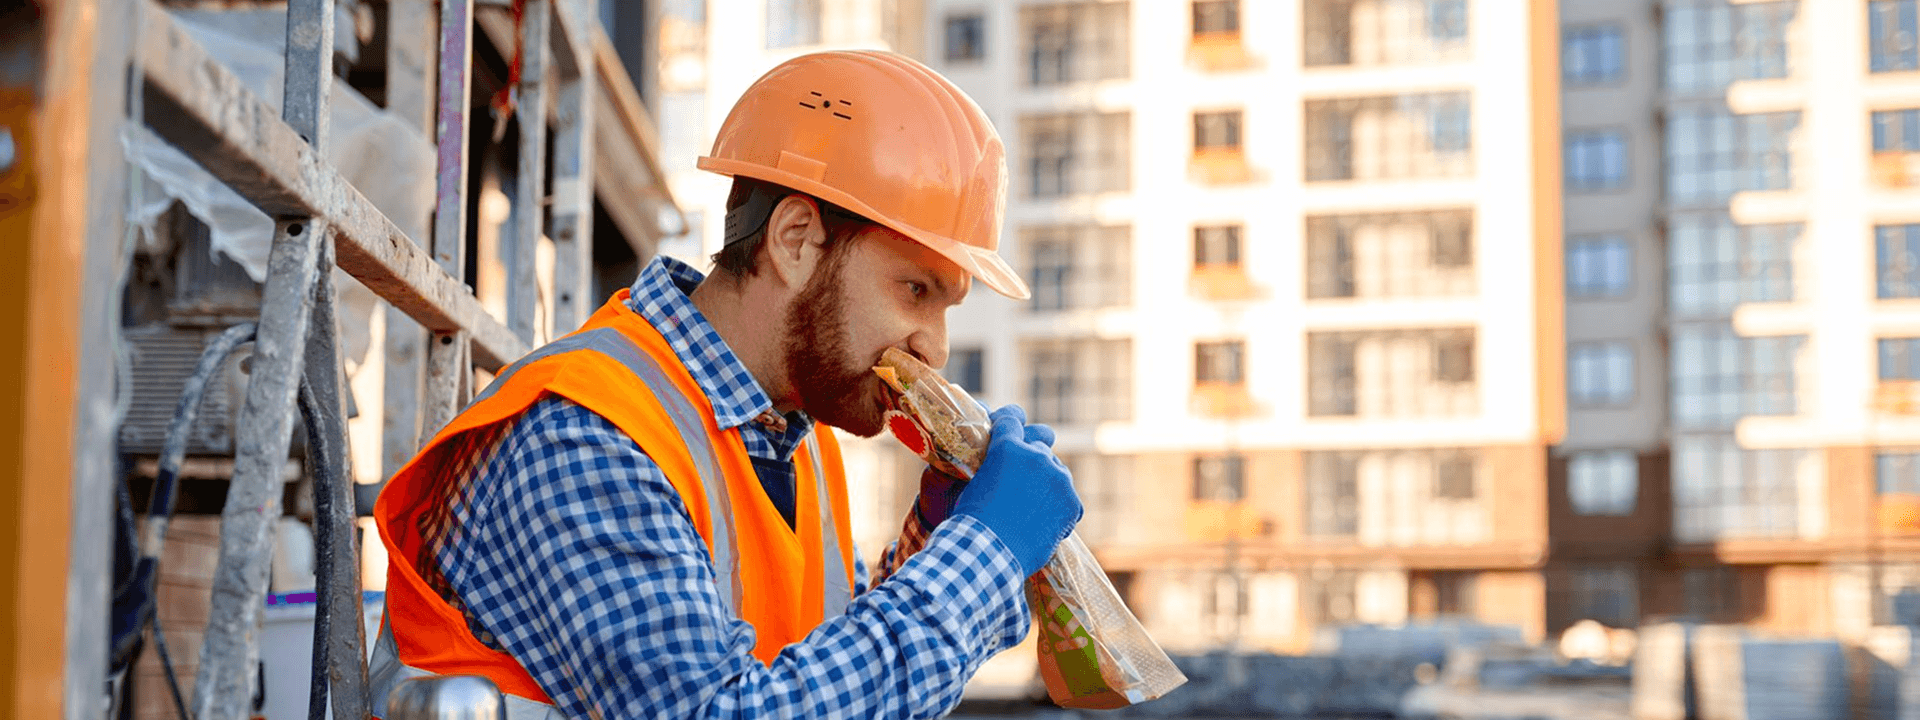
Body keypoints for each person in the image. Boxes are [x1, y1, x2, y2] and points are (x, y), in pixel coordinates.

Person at [369, 50, 1084, 719]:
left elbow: (820, 678)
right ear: (796, 239)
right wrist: (984, 552)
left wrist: (937, 539)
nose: (935, 344)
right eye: (915, 289)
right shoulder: (586, 431)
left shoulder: (795, 444)